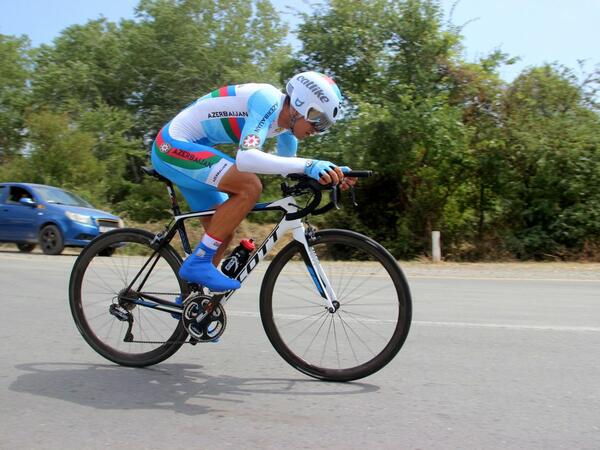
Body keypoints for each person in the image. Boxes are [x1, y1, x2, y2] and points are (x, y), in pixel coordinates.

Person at [151, 71, 355, 292]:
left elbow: (291, 168)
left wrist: (333, 173)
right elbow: (246, 157)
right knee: (250, 186)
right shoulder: (266, 100)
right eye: (318, 120)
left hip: (191, 151)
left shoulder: (286, 129)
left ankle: (192, 304)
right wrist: (310, 165)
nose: (318, 130)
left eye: (324, 125)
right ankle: (199, 263)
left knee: (222, 231)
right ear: (301, 104)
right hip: (171, 146)